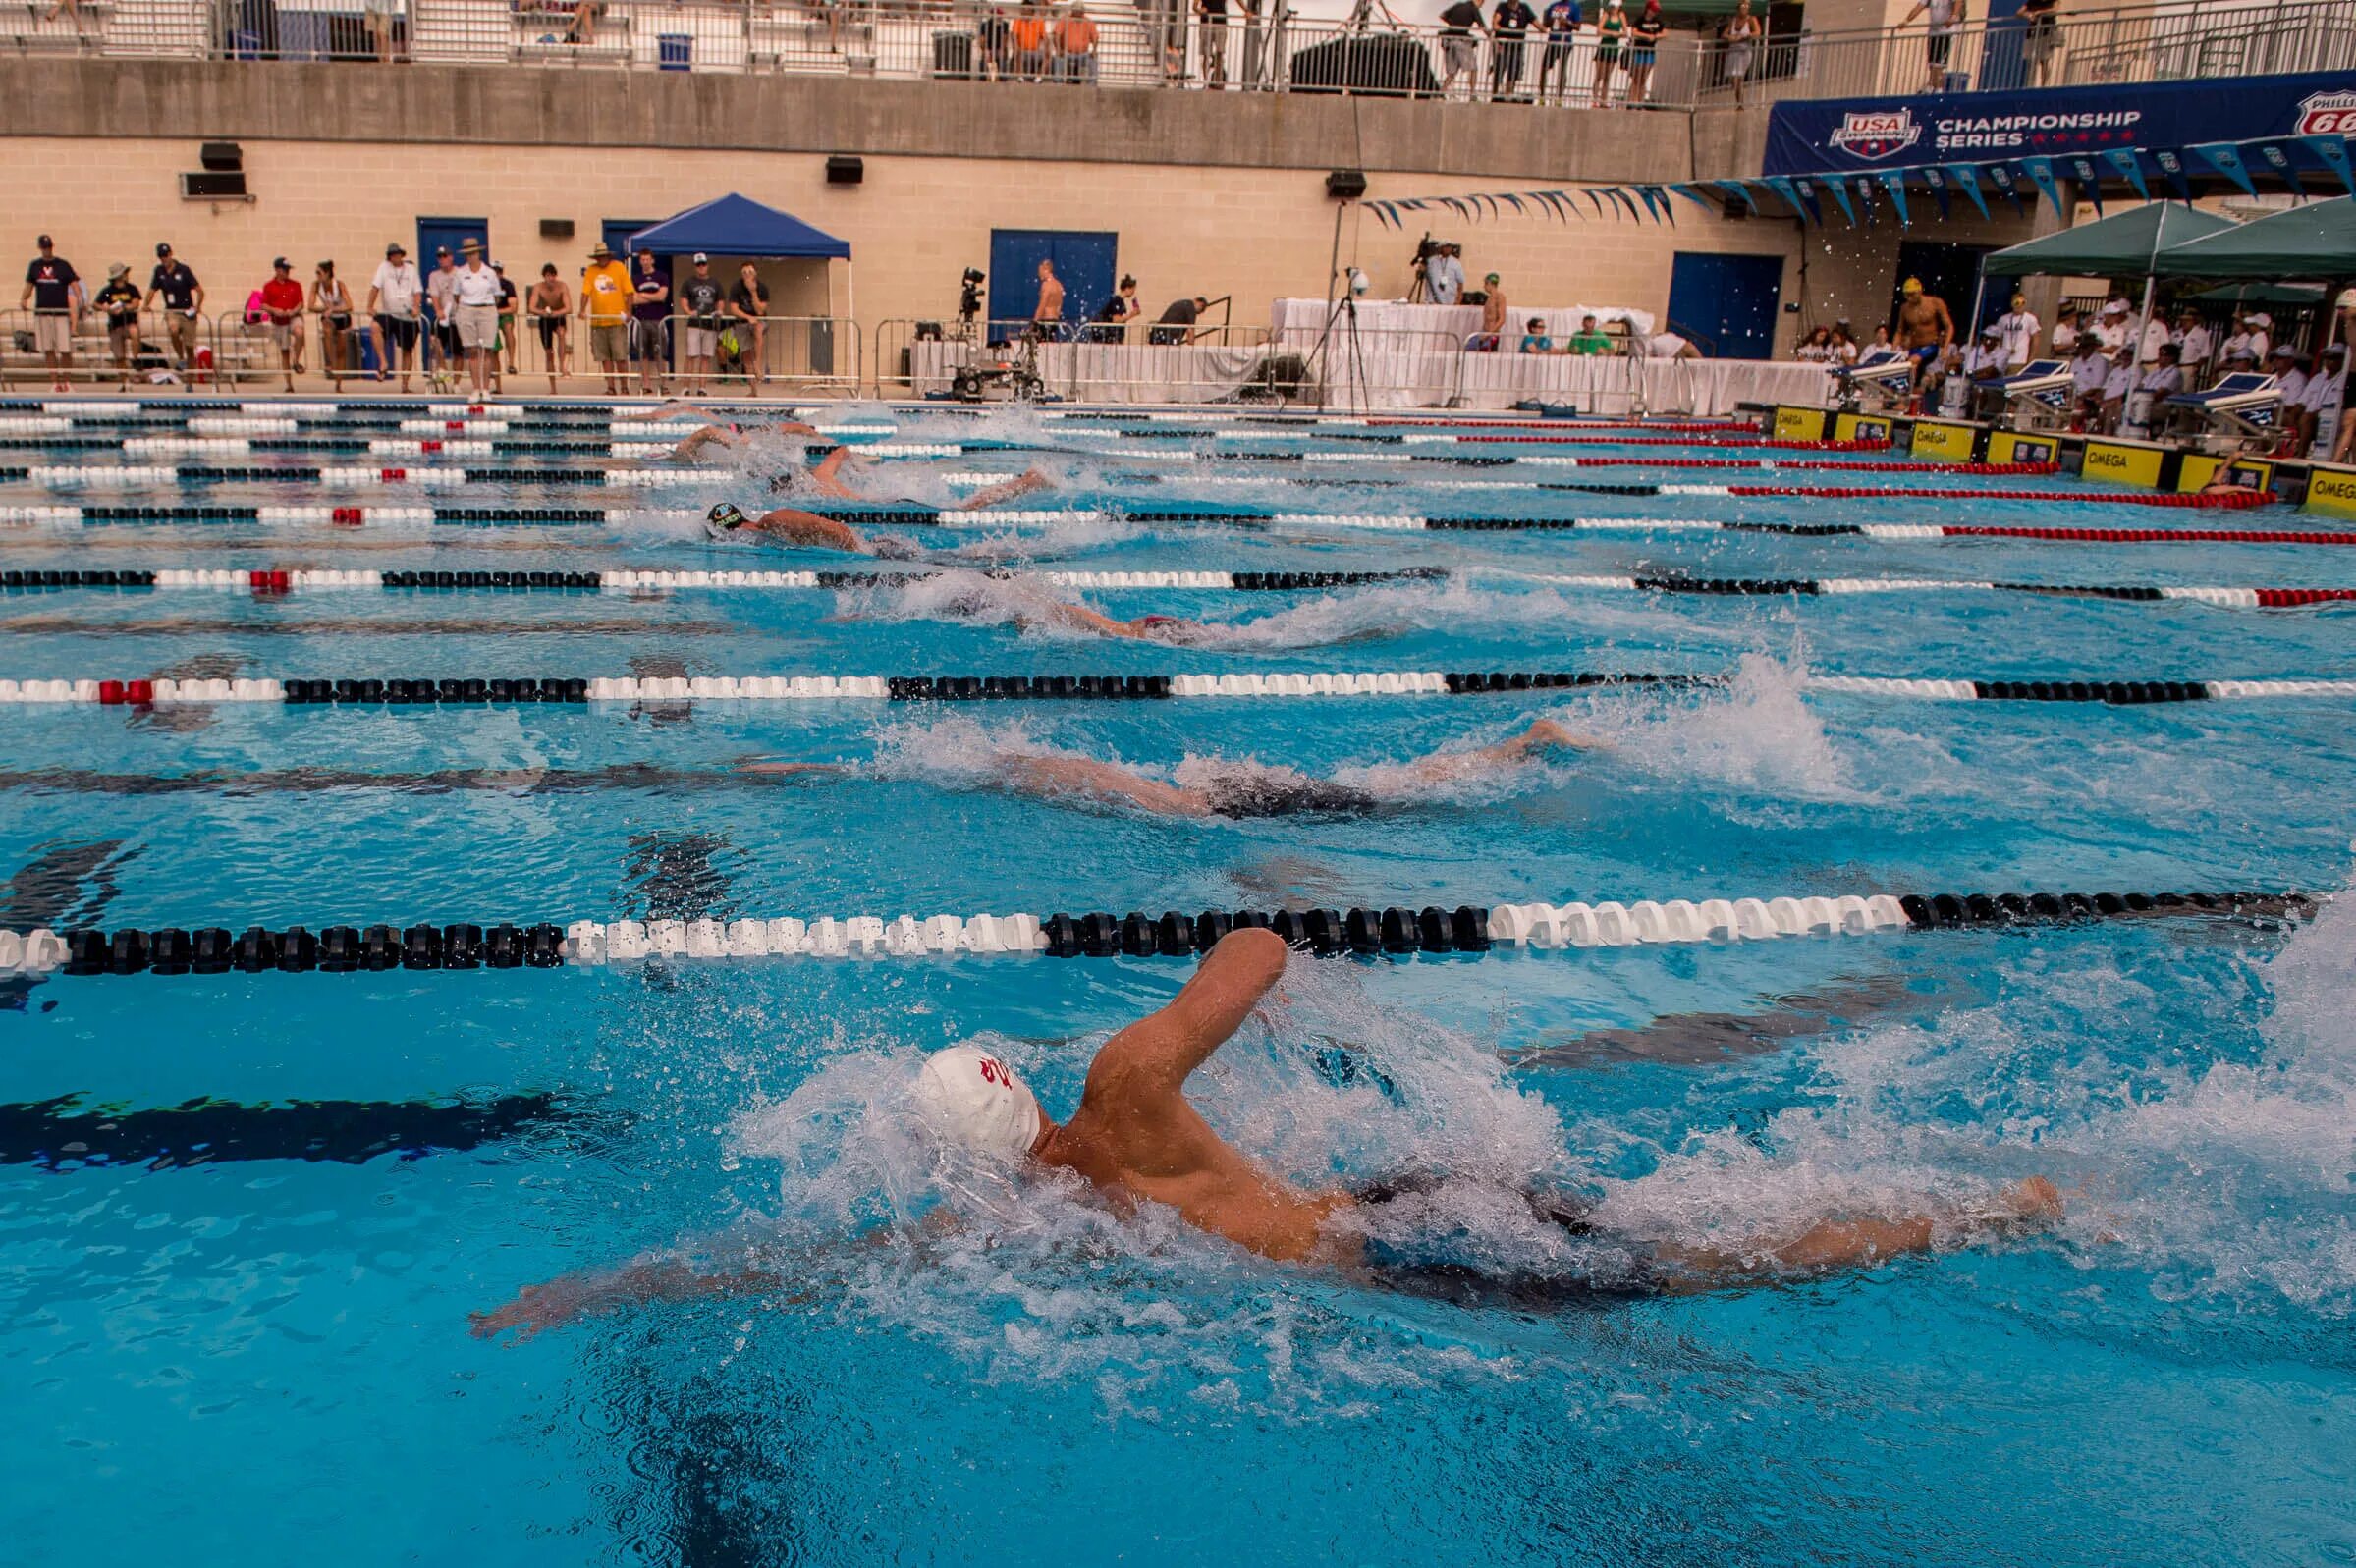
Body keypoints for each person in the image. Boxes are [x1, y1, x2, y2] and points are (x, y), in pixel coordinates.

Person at [472, 927, 2067, 1342]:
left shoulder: (1008, 1219)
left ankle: (2006, 1209)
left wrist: (579, 1292)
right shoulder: (1119, 1087)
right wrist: (1262, 1005)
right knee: (1688, 1246)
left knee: (1720, 1266)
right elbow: (1247, 950)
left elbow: (786, 1272)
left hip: (1406, 1245)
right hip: (1402, 1195)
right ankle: (1982, 1201)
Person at [746, 717, 1604, 811]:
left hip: (1218, 801)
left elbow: (1084, 779)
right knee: (1396, 790)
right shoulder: (1004, 762)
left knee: (1397, 796)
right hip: (1217, 790)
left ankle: (1526, 743)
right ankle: (1523, 743)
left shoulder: (1024, 771)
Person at [699, 462, 1056, 550]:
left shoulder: (773, 520)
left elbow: (838, 530)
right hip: (881, 538)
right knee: (965, 542)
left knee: (964, 513)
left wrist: (860, 553)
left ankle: (1027, 484)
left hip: (878, 546)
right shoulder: (767, 529)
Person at [20, 235, 82, 393]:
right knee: (48, 349)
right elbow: (29, 285)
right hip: (43, 312)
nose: (47, 250)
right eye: (45, 248)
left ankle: (66, 381)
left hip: (60, 312)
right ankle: (55, 382)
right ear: (40, 248)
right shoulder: (35, 265)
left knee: (65, 349)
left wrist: (80, 299)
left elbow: (74, 283)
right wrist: (24, 299)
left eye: (49, 247)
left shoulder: (63, 265)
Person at [365, 241, 423, 393]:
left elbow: (417, 292)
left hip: (407, 315)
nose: (394, 257)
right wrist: (370, 306)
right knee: (374, 326)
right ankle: (383, 362)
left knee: (407, 350)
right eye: (392, 255)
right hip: (390, 313)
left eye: (397, 255)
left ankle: (404, 385)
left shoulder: (411, 270)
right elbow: (375, 288)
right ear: (389, 257)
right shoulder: (383, 268)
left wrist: (416, 307)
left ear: (401, 256)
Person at [579, 242, 634, 395]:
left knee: (620, 355)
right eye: (599, 257)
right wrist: (582, 310)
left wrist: (629, 311)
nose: (602, 259)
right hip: (599, 321)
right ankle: (611, 387)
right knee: (604, 357)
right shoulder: (591, 270)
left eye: (604, 256)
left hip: (616, 320)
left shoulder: (618, 267)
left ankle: (624, 386)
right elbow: (585, 292)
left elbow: (629, 292)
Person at [451, 240, 501, 397]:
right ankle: (476, 388)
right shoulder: (460, 273)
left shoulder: (489, 273)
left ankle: (485, 388)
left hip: (486, 309)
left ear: (479, 253)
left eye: (474, 253)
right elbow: (456, 295)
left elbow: (497, 295)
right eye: (468, 254)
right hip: (467, 309)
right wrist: (469, 307)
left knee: (486, 351)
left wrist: (485, 306)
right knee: (472, 350)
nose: (471, 256)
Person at [146, 243, 204, 372]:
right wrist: (146, 305)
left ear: (170, 254)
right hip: (172, 310)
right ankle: (181, 357)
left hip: (186, 310)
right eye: (161, 256)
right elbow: (152, 290)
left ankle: (190, 371)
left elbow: (200, 290)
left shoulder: (184, 270)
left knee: (189, 345)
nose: (164, 259)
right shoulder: (159, 271)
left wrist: (198, 306)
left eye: (166, 255)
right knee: (173, 329)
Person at [676, 253, 726, 397]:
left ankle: (702, 387)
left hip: (709, 324)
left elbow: (720, 300)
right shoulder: (688, 282)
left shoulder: (715, 283)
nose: (702, 267)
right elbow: (683, 300)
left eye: (703, 264)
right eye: (699, 265)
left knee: (706, 356)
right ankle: (685, 386)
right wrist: (689, 311)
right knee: (691, 355)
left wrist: (719, 311)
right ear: (695, 267)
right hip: (694, 324)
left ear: (707, 265)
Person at [1894, 276, 1953, 393]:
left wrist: (1946, 347)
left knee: (1912, 362)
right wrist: (1893, 350)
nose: (1910, 298)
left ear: (1920, 291)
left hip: (1930, 346)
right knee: (1907, 370)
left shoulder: (1934, 303)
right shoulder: (1905, 308)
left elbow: (1949, 326)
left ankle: (1906, 397)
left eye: (1912, 294)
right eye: (1907, 295)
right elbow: (1899, 331)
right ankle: (1911, 396)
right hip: (1914, 348)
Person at [258, 256, 306, 392]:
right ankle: (289, 384)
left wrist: (293, 311)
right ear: (278, 270)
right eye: (285, 269)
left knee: (299, 332)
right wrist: (275, 310)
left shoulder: (295, 284)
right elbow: (263, 305)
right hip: (279, 321)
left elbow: (301, 303)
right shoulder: (269, 286)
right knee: (284, 351)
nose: (287, 272)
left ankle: (296, 361)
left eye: (288, 270)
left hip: (292, 317)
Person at [91, 263, 140, 389]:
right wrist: (105, 308)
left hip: (129, 321)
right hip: (115, 325)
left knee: (134, 332)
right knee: (119, 356)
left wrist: (124, 308)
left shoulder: (131, 288)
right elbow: (96, 304)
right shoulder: (108, 291)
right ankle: (124, 382)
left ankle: (135, 359)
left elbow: (135, 303)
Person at [630, 250, 670, 395]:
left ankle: (663, 384)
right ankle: (646, 384)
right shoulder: (635, 279)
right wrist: (652, 296)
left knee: (660, 353)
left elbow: (662, 297)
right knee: (643, 354)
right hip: (641, 321)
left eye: (648, 259)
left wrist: (643, 295)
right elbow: (633, 299)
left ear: (652, 260)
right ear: (640, 261)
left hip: (658, 320)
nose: (645, 262)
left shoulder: (662, 277)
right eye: (643, 259)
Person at [2293, 344, 2345, 457]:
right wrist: (2293, 415)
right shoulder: (2318, 378)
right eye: (2327, 357)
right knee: (2283, 415)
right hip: (2309, 418)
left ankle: (2300, 454)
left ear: (2342, 360)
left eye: (2333, 357)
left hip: (2331, 419)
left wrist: (2312, 414)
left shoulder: (2345, 380)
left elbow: (2337, 406)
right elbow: (2301, 403)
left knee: (2307, 418)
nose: (2329, 361)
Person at [310, 260, 355, 388]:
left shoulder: (339, 285)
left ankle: (338, 383)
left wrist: (333, 309)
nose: (317, 276)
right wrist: (325, 310)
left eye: (319, 273)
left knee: (341, 351)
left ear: (327, 273)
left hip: (342, 317)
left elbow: (350, 306)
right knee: (327, 329)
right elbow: (310, 306)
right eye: (316, 273)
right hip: (329, 317)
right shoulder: (316, 285)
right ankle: (330, 361)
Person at [1901, 0, 1963, 91]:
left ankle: (1938, 90)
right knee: (1932, 63)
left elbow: (1958, 2)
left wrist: (1953, 17)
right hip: (1933, 31)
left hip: (1947, 32)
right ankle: (1931, 86)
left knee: (1938, 65)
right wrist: (1906, 21)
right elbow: (1919, 7)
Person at [726, 262, 770, 386]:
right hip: (742, 322)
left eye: (750, 272)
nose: (747, 275)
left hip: (759, 321)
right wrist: (747, 317)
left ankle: (758, 363)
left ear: (755, 273)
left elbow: (760, 311)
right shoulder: (736, 287)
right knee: (746, 355)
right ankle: (753, 389)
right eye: (744, 272)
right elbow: (733, 309)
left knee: (758, 328)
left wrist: (753, 292)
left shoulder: (762, 288)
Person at [528, 264, 571, 393]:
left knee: (562, 333)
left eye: (552, 276)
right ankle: (553, 388)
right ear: (544, 277)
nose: (550, 279)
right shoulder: (538, 287)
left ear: (555, 276)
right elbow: (531, 307)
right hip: (545, 318)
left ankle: (562, 365)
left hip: (557, 316)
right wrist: (542, 312)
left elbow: (568, 307)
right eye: (548, 276)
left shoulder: (562, 286)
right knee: (548, 353)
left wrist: (557, 313)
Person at [424, 244, 461, 391]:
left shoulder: (459, 273)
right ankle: (443, 367)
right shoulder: (434, 276)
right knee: (434, 339)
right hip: (443, 315)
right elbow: (434, 295)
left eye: (445, 256)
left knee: (458, 352)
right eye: (440, 257)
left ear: (451, 257)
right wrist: (438, 310)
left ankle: (456, 384)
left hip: (458, 316)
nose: (442, 259)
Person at [1490, 0, 1536, 100]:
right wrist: (1496, 26)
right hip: (1503, 45)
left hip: (1517, 47)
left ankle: (1508, 94)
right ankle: (1495, 94)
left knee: (1514, 71)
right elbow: (1495, 22)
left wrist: (1545, 29)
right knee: (1500, 69)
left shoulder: (1524, 8)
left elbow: (1536, 22)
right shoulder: (1502, 6)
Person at [1437, 0, 1485, 96]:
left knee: (1452, 72)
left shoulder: (1459, 5)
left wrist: (1453, 24)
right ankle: (1472, 94)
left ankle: (1441, 92)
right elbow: (1482, 26)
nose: (1482, 6)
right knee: (1473, 68)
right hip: (1461, 42)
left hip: (1449, 41)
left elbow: (1442, 15)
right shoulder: (1473, 9)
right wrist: (1492, 38)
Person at [1536, 0, 1580, 104]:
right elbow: (1545, 24)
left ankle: (1559, 97)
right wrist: (1550, 21)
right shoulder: (1553, 5)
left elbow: (1578, 26)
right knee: (1544, 68)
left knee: (1562, 70)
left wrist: (1567, 22)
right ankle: (1542, 96)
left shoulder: (1574, 6)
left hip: (1565, 42)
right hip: (1552, 41)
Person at [1720, 0, 1759, 103]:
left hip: (1744, 51)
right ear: (1738, 7)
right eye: (1743, 5)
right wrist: (1730, 37)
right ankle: (1739, 101)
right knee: (1733, 80)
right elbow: (1723, 34)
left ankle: (1740, 103)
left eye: (1747, 5)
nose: (1745, 7)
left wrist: (1744, 36)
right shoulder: (1733, 20)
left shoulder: (1751, 19)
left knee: (1739, 78)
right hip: (1733, 51)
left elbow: (1757, 32)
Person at [2067, 333, 2108, 429]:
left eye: (2085, 346)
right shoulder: (2076, 361)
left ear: (2092, 347)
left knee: (2077, 408)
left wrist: (2079, 397)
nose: (2082, 349)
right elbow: (2069, 381)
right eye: (2080, 346)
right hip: (2074, 396)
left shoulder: (2100, 362)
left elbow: (2097, 387)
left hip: (2090, 398)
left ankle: (2072, 432)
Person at [1992, 291, 2040, 372]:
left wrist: (2031, 359)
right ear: (2012, 304)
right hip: (2003, 360)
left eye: (2023, 303)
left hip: (2020, 360)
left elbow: (2035, 339)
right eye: (2017, 303)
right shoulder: (2003, 319)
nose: (2020, 306)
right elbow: (1997, 338)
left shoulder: (2030, 319)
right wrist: (1995, 356)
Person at [1625, 0, 1662, 102]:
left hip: (1650, 52)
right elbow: (1634, 32)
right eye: (1653, 10)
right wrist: (1647, 36)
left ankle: (1640, 101)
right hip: (1639, 51)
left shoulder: (1657, 21)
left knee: (1643, 79)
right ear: (1648, 9)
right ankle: (1633, 101)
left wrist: (1656, 36)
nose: (1655, 13)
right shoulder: (1640, 20)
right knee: (1636, 78)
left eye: (1656, 11)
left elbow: (1664, 32)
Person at [1088, 273, 1141, 343]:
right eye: (1133, 289)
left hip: (1111, 337)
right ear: (1127, 288)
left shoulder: (1119, 301)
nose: (1133, 292)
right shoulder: (1117, 301)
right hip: (1108, 338)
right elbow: (1116, 320)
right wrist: (1132, 315)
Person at [1591, 0, 1624, 105]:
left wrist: (1618, 34)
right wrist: (1612, 33)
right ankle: (1595, 100)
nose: (1614, 9)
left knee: (1607, 77)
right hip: (1603, 48)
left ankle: (1603, 100)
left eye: (1616, 6)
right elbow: (1599, 30)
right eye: (1612, 6)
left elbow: (1625, 32)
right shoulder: (1606, 14)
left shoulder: (1621, 15)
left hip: (1613, 50)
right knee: (1599, 75)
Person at [1054, 0, 1098, 82]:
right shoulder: (1065, 19)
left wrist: (1094, 50)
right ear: (1073, 11)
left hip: (1083, 54)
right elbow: (1056, 34)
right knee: (1059, 57)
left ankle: (1093, 83)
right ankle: (1057, 81)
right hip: (1067, 52)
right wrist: (1059, 49)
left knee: (1093, 58)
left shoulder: (1088, 21)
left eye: (1081, 11)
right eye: (1077, 10)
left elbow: (1095, 36)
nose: (1079, 13)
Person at [2097, 343, 2134, 435]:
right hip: (2106, 402)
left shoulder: (2136, 371)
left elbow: (2129, 393)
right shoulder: (2116, 370)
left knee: (2110, 408)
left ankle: (2106, 437)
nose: (2126, 357)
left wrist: (2108, 402)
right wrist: (2099, 399)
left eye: (2130, 354)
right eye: (2124, 354)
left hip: (2120, 403)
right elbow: (2104, 388)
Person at [2018, 0, 2057, 85]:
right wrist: (2029, 15)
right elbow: (2019, 12)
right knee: (2030, 58)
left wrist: (2039, 12)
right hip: (2034, 32)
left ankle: (2043, 84)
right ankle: (2029, 83)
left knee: (2044, 60)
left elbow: (2055, 9)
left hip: (2046, 32)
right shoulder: (2032, 2)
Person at [494, 261, 520, 385]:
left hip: (503, 315)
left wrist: (497, 311)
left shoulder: (507, 285)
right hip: (492, 317)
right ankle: (498, 386)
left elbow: (513, 308)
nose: (496, 274)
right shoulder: (486, 285)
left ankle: (511, 362)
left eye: (498, 272)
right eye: (494, 271)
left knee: (508, 328)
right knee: (494, 351)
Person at [1470, 274, 1507, 351]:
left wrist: (1488, 334)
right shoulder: (1489, 298)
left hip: (1491, 335)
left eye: (1485, 284)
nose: (1484, 286)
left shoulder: (1499, 297)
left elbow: (1502, 319)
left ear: (1491, 283)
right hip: (1484, 332)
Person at [2173, 308, 2211, 385]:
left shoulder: (2201, 334)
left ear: (2194, 321)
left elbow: (2205, 355)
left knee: (2185, 391)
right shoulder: (2175, 333)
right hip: (2173, 367)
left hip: (2188, 367)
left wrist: (2196, 368)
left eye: (2187, 320)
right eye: (2183, 320)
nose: (2184, 322)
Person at [1194, 0, 1228, 85]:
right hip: (1206, 22)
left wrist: (1246, 10)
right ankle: (1206, 81)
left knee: (1220, 53)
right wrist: (1199, 11)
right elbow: (1194, 6)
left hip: (1220, 22)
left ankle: (1218, 80)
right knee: (1206, 54)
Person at [1029, 257, 1065, 337]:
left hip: (1045, 322)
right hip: (1054, 322)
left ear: (1046, 270)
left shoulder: (1046, 285)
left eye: (1040, 271)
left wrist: (1034, 322)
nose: (1038, 274)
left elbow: (1042, 306)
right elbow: (1059, 306)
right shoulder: (1059, 285)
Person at [1425, 241, 1464, 307]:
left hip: (1450, 301)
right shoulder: (1431, 261)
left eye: (1449, 247)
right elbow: (1423, 276)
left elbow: (1460, 282)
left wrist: (1458, 300)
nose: (1448, 249)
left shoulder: (1456, 263)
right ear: (1440, 248)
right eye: (1445, 247)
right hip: (1432, 301)